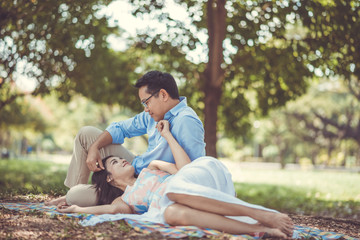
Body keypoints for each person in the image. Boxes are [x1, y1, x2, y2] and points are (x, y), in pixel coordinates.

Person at [57, 120, 293, 238]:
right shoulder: (126, 200)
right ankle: (259, 230)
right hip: (176, 202)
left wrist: (167, 134)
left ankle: (259, 213)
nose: (122, 160)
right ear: (109, 179)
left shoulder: (152, 166)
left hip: (198, 179)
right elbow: (108, 209)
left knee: (173, 191)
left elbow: (186, 169)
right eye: (115, 162)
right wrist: (78, 208)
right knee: (171, 214)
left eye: (120, 159)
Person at [46, 70, 206, 207]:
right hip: (133, 167)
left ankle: (75, 197)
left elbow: (192, 171)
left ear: (163, 95)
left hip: (149, 183)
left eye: (146, 102)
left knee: (78, 196)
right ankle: (71, 195)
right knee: (86, 134)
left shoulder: (186, 121)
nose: (146, 109)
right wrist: (94, 148)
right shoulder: (153, 116)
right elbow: (120, 128)